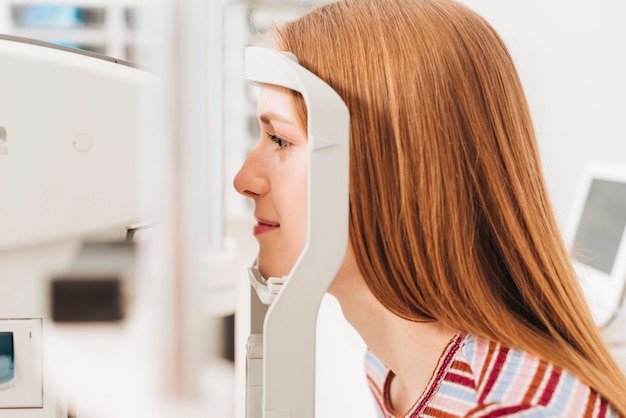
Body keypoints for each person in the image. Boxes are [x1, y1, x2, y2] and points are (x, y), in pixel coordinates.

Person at [233, 0, 626, 416]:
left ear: (389, 170)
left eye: (280, 140)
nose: (244, 181)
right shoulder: (391, 370)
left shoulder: (517, 409)